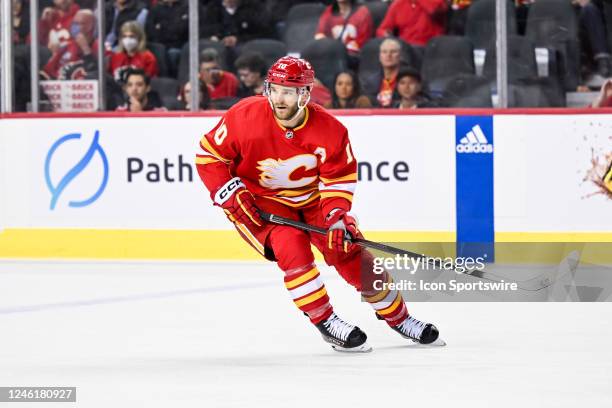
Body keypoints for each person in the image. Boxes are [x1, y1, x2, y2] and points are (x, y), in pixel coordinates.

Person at [195, 56, 442, 352]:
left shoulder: (330, 129)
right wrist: (228, 191)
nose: (279, 98)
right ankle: (326, 321)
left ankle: (400, 318)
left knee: (349, 251)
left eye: (288, 91)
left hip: (312, 199)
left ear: (305, 94)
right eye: (274, 89)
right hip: (261, 203)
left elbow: (338, 178)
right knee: (292, 248)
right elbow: (209, 156)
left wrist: (337, 216)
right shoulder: (244, 115)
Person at [42, 9, 99, 80]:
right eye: (74, 23)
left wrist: (86, 49)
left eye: (79, 23)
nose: (74, 27)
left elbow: (97, 74)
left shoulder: (99, 47)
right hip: (59, 87)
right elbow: (47, 71)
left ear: (90, 26)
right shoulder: (66, 46)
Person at [145, 0, 189, 78]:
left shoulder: (186, 7)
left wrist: (162, 28)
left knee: (173, 53)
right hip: (160, 45)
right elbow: (150, 31)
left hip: (180, 45)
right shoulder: (155, 9)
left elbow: (183, 30)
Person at [376, 0, 447, 48]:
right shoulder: (398, 4)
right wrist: (387, 35)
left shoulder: (436, 2)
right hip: (406, 49)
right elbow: (382, 29)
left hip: (430, 48)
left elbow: (434, 10)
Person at [362, 37, 402, 107]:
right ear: (380, 57)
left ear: (400, 56)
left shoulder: (407, 81)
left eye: (393, 52)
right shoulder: (370, 83)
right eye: (384, 52)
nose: (388, 55)